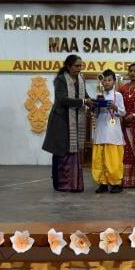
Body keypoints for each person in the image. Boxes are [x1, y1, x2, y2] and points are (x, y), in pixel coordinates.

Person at [42, 55, 93, 192]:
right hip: (61, 120)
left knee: (74, 150)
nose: (79, 68)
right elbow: (62, 99)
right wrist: (83, 102)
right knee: (62, 151)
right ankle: (61, 184)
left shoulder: (81, 79)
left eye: (81, 66)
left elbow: (85, 96)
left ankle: (74, 183)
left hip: (76, 119)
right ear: (68, 66)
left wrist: (93, 102)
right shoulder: (60, 79)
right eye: (76, 66)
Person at [91, 69, 126, 194]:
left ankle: (116, 183)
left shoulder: (118, 95)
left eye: (109, 80)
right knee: (99, 159)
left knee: (113, 159)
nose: (106, 82)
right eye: (104, 80)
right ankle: (103, 183)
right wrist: (93, 107)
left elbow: (123, 112)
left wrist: (115, 107)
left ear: (114, 81)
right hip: (100, 130)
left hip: (113, 131)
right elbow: (96, 114)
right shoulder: (99, 95)